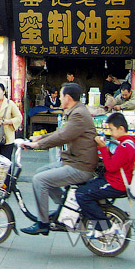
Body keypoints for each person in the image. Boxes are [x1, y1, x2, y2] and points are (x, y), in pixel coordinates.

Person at [19, 83, 98, 236]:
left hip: (80, 166)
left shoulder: (79, 115)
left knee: (40, 180)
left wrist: (37, 144)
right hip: (74, 161)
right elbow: (62, 132)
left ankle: (43, 223)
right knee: (41, 172)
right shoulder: (75, 111)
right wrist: (41, 137)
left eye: (61, 96)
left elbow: (63, 136)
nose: (60, 99)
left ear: (68, 98)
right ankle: (66, 207)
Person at [75, 112, 135, 239]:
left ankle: (104, 227)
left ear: (121, 128)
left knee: (81, 194)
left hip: (115, 183)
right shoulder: (130, 143)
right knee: (87, 186)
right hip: (115, 179)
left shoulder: (125, 147)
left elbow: (111, 167)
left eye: (112, 129)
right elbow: (117, 162)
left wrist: (102, 148)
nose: (110, 132)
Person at [0, 82, 23, 160]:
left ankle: (7, 173)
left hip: (7, 136)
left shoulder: (10, 103)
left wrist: (8, 121)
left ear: (3, 92)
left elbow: (19, 117)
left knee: (6, 161)